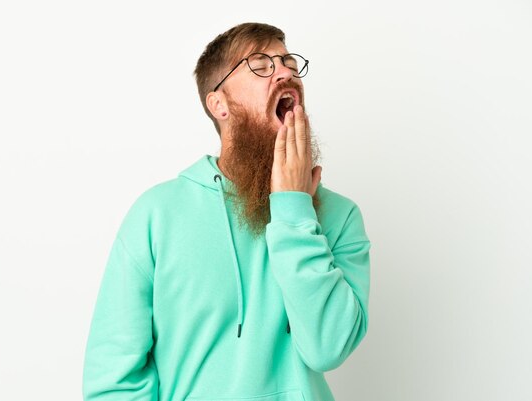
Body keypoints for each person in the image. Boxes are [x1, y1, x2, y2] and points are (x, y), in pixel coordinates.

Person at [83, 22, 371, 401]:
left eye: (286, 61)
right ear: (218, 104)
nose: (284, 71)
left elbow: (328, 348)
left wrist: (294, 210)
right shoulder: (157, 214)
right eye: (261, 65)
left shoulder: (338, 215)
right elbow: (112, 381)